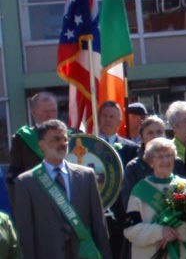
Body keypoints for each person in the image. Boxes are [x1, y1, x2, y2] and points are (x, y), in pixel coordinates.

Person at [14, 119, 111, 258]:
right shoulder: (26, 182)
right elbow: (25, 235)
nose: (63, 144)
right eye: (56, 139)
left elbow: (99, 227)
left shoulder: (86, 176)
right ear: (41, 145)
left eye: (65, 139)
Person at [124, 138, 186, 259]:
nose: (165, 160)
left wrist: (174, 232)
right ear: (150, 161)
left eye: (169, 155)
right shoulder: (139, 190)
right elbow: (130, 230)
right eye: (159, 156)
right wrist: (159, 232)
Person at [6, 92, 80, 203]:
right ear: (34, 112)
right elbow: (14, 179)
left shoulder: (74, 135)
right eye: (45, 111)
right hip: (38, 201)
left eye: (53, 111)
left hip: (71, 201)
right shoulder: (22, 139)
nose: (50, 115)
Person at [98, 101, 139, 258]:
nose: (107, 120)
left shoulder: (131, 148)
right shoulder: (88, 146)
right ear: (98, 118)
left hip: (122, 214)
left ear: (119, 121)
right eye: (104, 116)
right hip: (98, 213)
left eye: (112, 116)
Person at [122, 116, 186, 207]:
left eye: (159, 132)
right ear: (142, 137)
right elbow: (128, 202)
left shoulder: (177, 163)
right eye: (150, 133)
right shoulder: (133, 167)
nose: (155, 136)